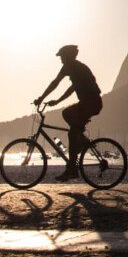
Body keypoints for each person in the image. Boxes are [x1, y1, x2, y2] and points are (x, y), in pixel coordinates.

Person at [34, 45, 102, 181]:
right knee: (67, 114)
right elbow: (58, 83)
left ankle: (72, 170)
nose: (61, 59)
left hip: (92, 102)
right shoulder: (69, 68)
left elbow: (63, 86)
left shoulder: (78, 68)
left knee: (72, 133)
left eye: (62, 56)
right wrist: (51, 99)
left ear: (69, 56)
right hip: (86, 103)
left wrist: (47, 99)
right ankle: (81, 140)